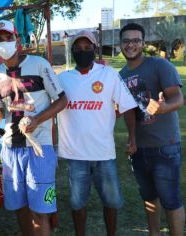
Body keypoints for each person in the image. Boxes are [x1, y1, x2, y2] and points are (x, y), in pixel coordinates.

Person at [0, 19, 67, 236]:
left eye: (8, 38)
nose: (4, 43)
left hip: (39, 146)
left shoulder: (39, 64)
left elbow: (61, 100)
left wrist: (37, 120)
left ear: (17, 40)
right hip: (11, 148)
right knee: (19, 207)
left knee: (40, 210)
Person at [57, 30, 137, 236]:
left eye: (87, 47)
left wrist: (132, 138)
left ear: (95, 49)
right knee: (77, 203)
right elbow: (48, 110)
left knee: (112, 201)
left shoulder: (109, 75)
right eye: (78, 48)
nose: (82, 51)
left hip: (104, 153)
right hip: (75, 155)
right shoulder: (62, 79)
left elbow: (127, 106)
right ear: (72, 51)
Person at [119, 23, 185, 236]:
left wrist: (164, 107)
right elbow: (128, 112)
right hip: (139, 149)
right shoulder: (120, 75)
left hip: (165, 146)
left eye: (136, 40)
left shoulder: (159, 65)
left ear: (143, 43)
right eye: (126, 40)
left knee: (170, 200)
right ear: (121, 44)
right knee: (149, 198)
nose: (131, 45)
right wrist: (131, 139)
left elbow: (178, 97)